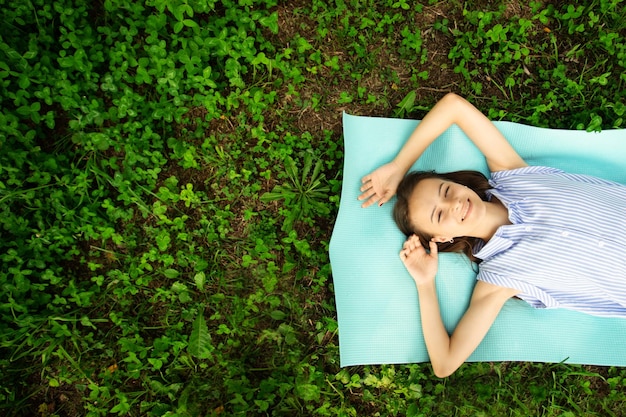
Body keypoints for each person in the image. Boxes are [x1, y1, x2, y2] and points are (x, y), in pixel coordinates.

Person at [357, 92, 626, 378]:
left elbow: (453, 106)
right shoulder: (498, 278)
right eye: (439, 216)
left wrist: (400, 166)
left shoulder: (514, 175)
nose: (455, 205)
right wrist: (425, 283)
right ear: (441, 238)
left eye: (446, 191)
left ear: (454, 182)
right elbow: (444, 363)